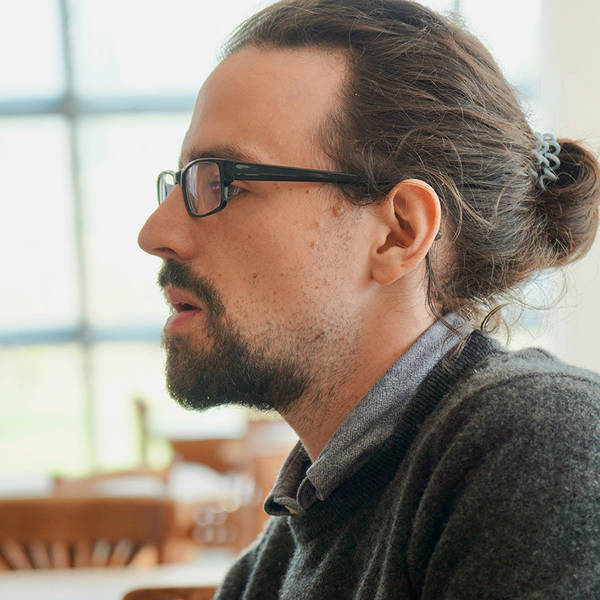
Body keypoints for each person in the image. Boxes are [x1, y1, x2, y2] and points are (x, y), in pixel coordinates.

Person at [137, 0, 600, 597]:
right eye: (182, 183)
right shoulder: (269, 568)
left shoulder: (538, 448)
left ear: (399, 233)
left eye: (222, 183)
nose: (156, 232)